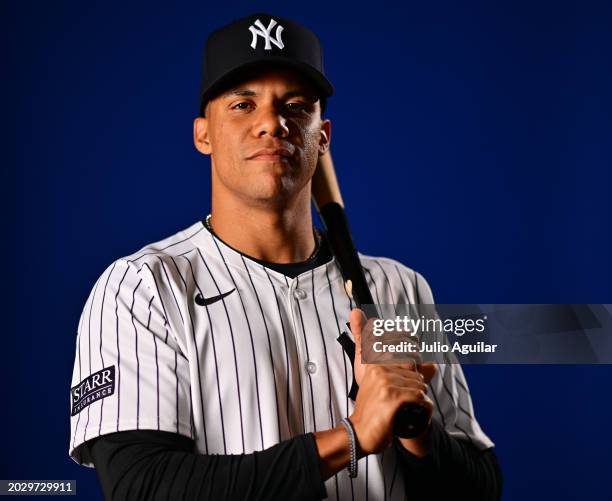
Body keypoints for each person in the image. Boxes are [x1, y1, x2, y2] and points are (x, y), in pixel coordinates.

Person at [68, 13, 502, 500]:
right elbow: (143, 489)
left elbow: (479, 490)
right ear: (202, 134)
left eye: (295, 106)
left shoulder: (400, 289)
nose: (272, 123)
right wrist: (352, 437)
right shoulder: (143, 287)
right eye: (242, 104)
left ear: (323, 135)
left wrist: (416, 427)